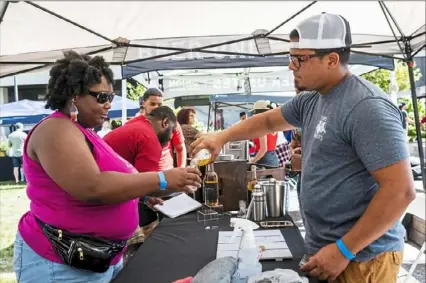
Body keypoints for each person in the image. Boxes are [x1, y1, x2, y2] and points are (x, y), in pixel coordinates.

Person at [190, 13, 415, 283]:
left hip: (362, 257)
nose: (291, 66)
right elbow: (270, 120)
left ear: (332, 59)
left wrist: (344, 249)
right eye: (290, 57)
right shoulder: (312, 99)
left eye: (299, 58)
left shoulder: (367, 107)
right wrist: (221, 137)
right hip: (326, 247)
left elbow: (400, 191)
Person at [13, 50, 201, 283]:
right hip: (61, 264)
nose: (108, 105)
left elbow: (99, 179)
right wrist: (160, 179)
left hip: (96, 258)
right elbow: (91, 186)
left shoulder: (84, 132)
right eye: (102, 97)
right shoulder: (55, 130)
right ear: (74, 95)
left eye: (111, 97)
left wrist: (136, 197)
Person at [103, 105, 177, 254]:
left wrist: (144, 196)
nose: (169, 139)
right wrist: (178, 184)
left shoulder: (137, 125)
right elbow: (146, 183)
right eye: (171, 133)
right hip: (108, 208)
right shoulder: (149, 138)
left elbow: (137, 180)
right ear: (165, 123)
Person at [141, 88, 187, 169]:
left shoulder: (172, 123)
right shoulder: (133, 124)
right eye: (152, 104)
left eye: (159, 105)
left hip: (167, 176)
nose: (156, 107)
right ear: (144, 103)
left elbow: (181, 149)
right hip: (144, 178)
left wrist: (181, 170)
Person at [249, 100, 278, 167]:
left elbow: (263, 149)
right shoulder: (272, 124)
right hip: (273, 158)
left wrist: (252, 161)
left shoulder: (262, 127)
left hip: (264, 160)